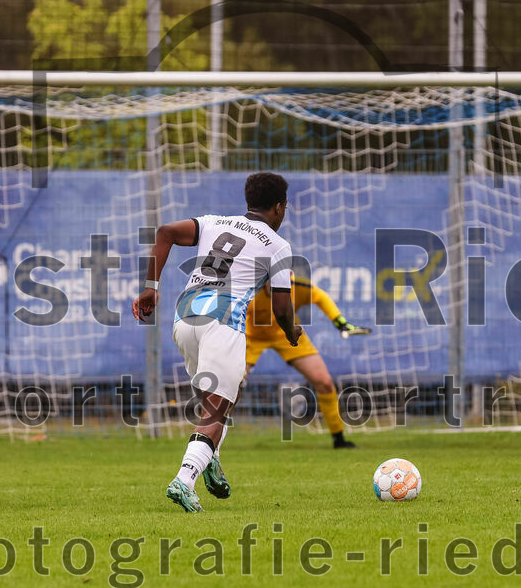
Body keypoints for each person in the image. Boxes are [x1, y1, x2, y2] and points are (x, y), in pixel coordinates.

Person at [132, 172, 301, 512]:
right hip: (223, 321)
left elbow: (165, 232)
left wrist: (151, 287)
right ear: (279, 207)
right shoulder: (278, 245)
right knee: (216, 410)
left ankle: (212, 457)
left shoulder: (213, 222)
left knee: (216, 401)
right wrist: (291, 330)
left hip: (185, 316)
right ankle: (184, 479)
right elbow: (281, 307)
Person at [244, 274, 370, 448]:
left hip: (288, 334)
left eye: (284, 275)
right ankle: (212, 442)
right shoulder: (250, 289)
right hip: (251, 336)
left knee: (324, 382)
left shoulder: (297, 286)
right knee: (233, 385)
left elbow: (320, 296)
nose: (279, 280)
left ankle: (339, 439)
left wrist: (339, 321)